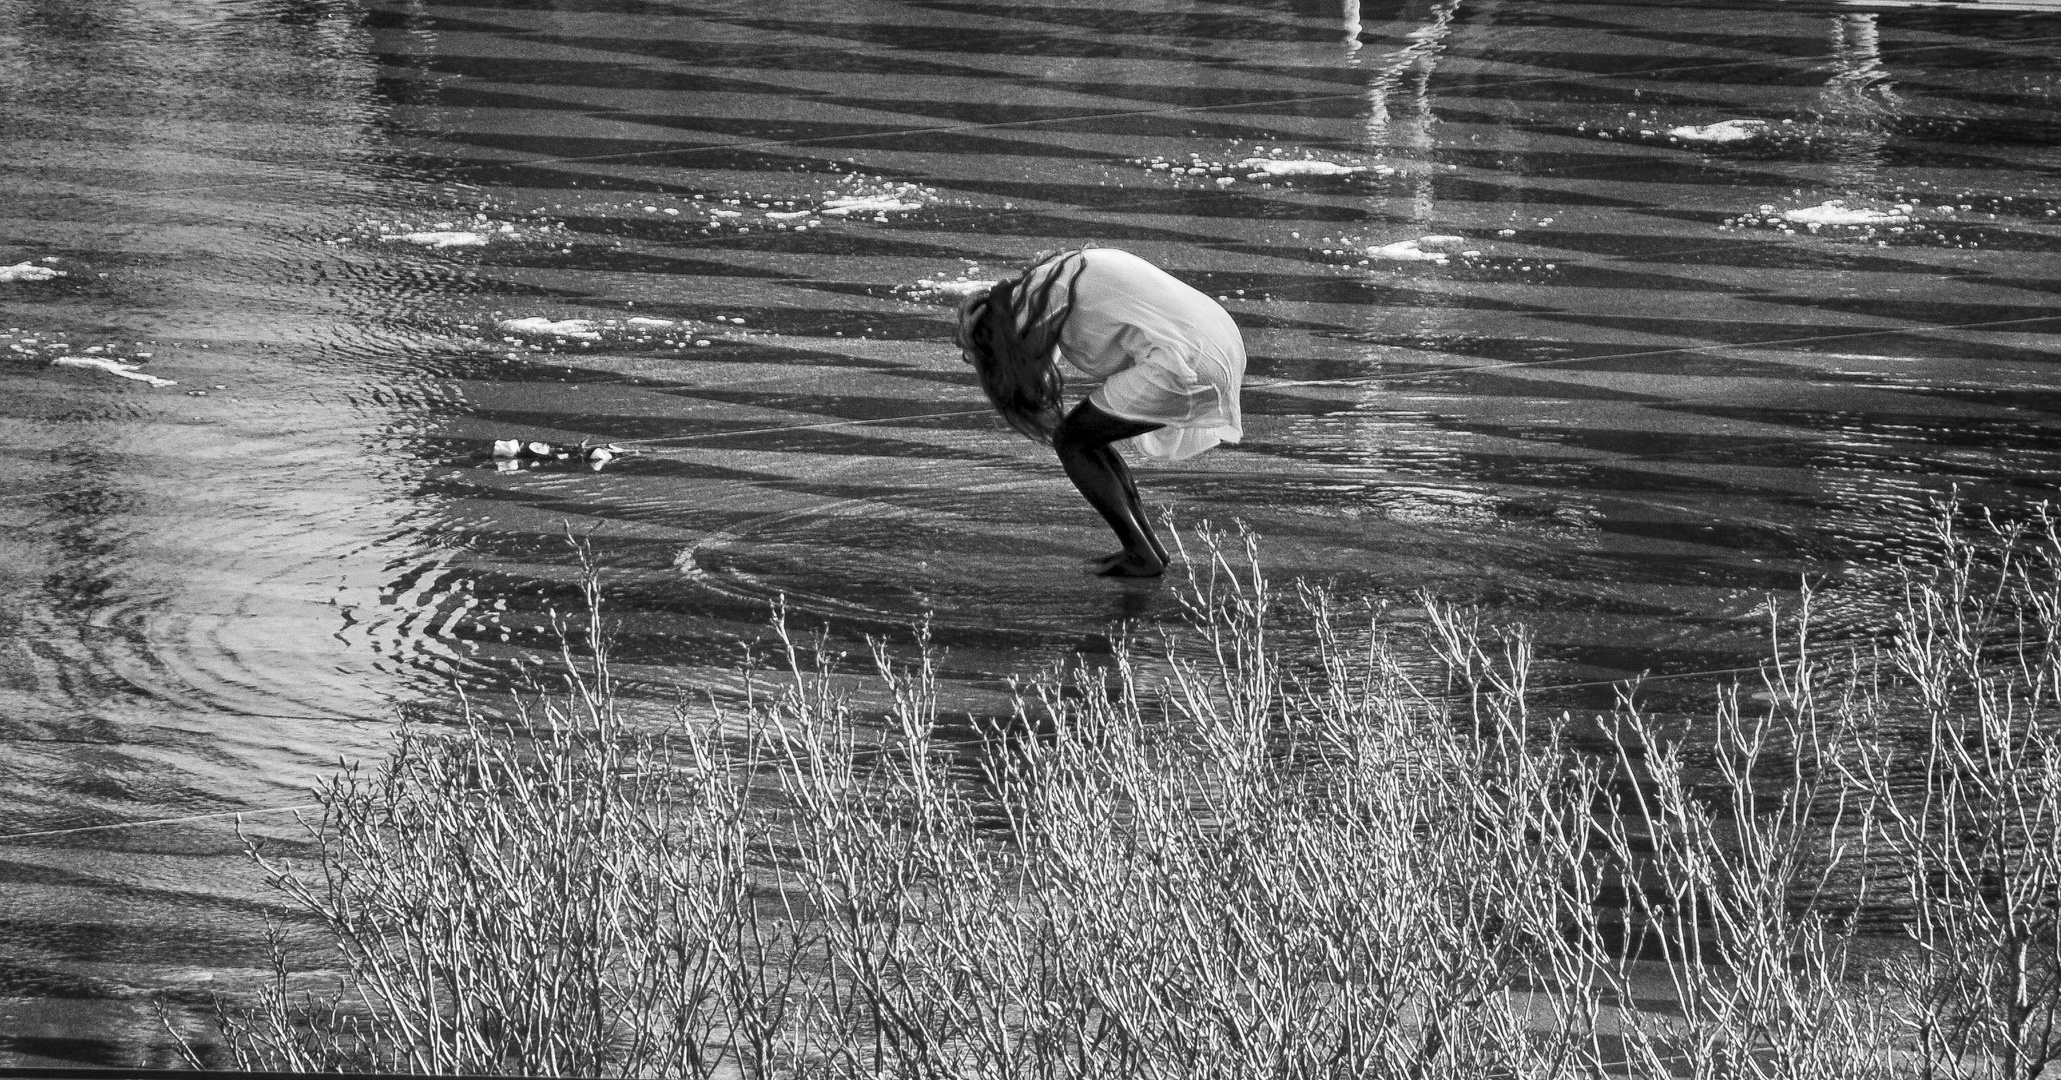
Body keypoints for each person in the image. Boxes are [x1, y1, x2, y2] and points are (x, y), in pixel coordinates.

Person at [955, 247, 1246, 577]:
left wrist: (972, 343)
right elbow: (1040, 368)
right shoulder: (1062, 273)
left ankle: (1140, 553)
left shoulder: (1033, 297)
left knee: (1072, 440)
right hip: (1219, 345)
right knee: (1086, 436)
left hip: (1185, 362)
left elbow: (1026, 381)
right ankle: (1148, 549)